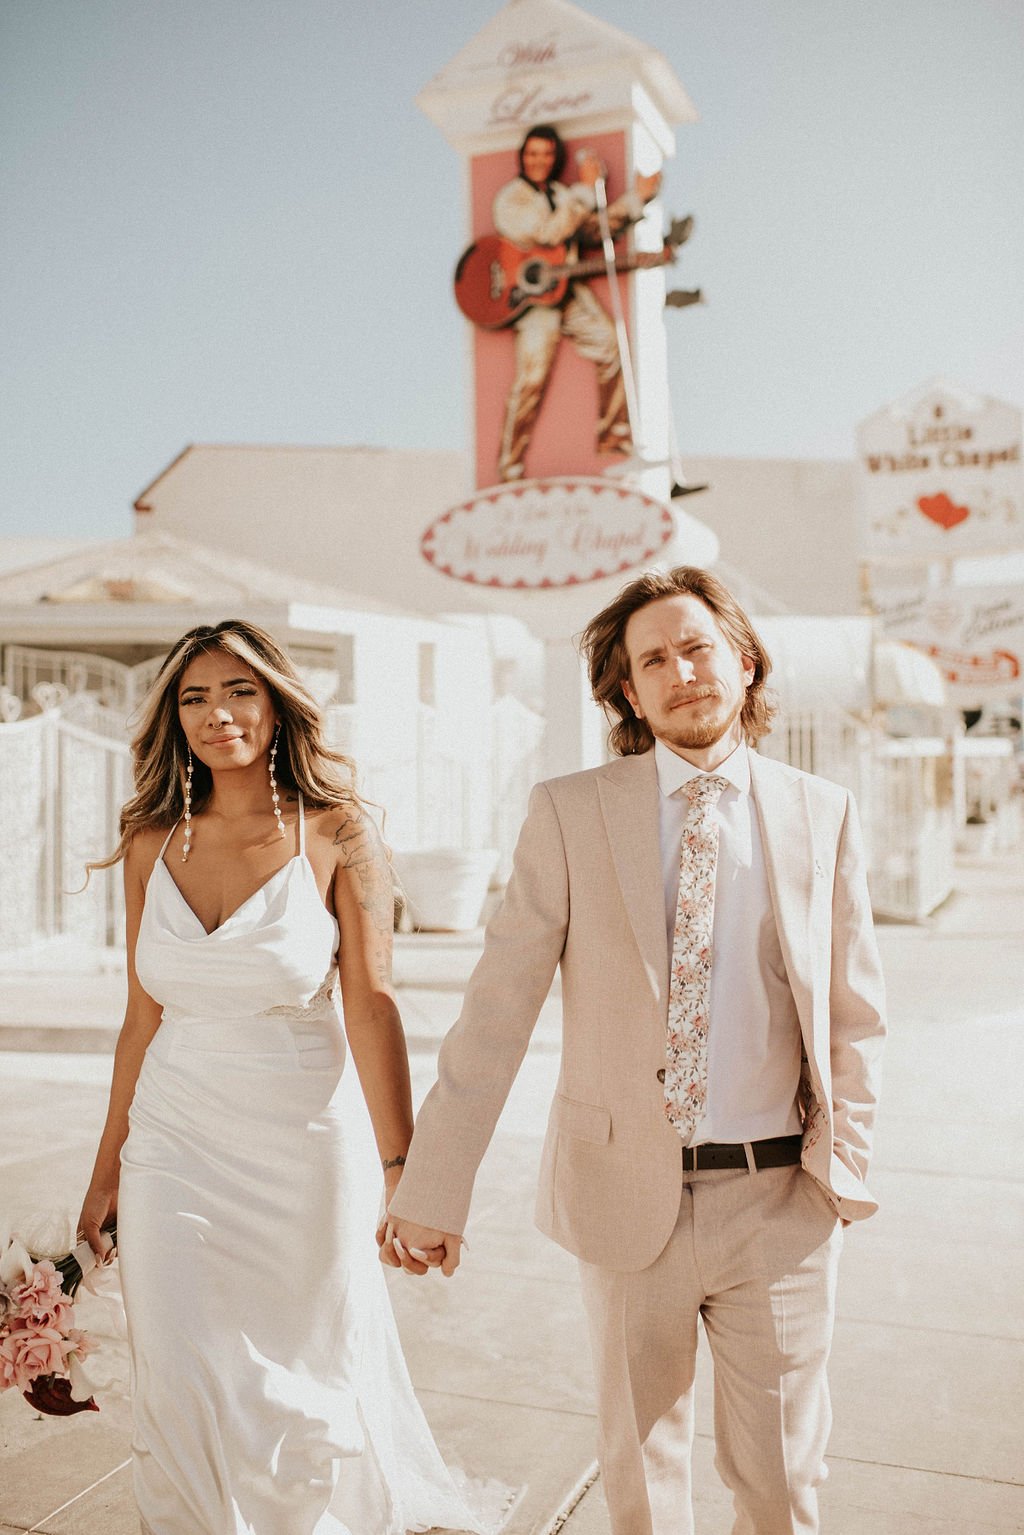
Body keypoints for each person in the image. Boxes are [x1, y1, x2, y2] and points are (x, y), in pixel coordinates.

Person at [386, 568, 887, 1534]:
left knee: (784, 1486)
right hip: (621, 1203)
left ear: (745, 661)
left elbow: (855, 1013)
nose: (680, 671)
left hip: (781, 1200)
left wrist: (844, 1164)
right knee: (642, 1495)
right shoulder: (571, 811)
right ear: (627, 690)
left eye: (697, 647)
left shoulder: (821, 812)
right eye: (652, 660)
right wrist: (433, 1186)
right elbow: (496, 1010)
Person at [78, 619, 509, 1535]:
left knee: (297, 1384)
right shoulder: (151, 839)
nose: (218, 713)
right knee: (176, 1371)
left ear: (277, 704)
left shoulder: (338, 830)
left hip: (304, 1149)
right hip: (172, 1143)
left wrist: (406, 1170)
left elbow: (374, 1005)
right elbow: (140, 1020)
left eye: (240, 690)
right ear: (173, 716)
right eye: (194, 697)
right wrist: (105, 1171)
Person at [493, 123, 661, 482]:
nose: (539, 161)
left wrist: (637, 199)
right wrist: (584, 190)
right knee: (531, 380)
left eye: (546, 154)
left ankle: (614, 437)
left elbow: (591, 231)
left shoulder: (560, 194)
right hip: (532, 300)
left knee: (611, 344)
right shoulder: (511, 199)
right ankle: (509, 465)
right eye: (532, 153)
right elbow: (548, 233)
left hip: (564, 287)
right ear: (523, 157)